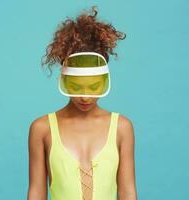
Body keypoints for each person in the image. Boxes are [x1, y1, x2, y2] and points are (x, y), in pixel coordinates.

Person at [27, 6, 137, 200]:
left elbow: (128, 192)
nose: (85, 97)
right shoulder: (42, 128)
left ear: (104, 80)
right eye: (77, 87)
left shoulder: (122, 127)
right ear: (65, 80)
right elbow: (36, 192)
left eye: (94, 86)